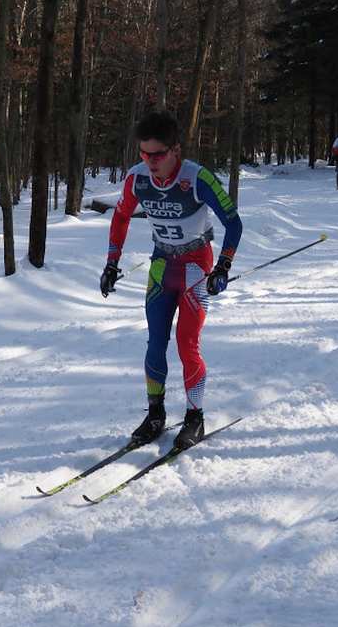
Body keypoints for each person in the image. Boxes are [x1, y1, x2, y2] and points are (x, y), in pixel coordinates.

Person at [100, 111, 243, 449]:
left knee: (187, 344)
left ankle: (195, 416)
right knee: (155, 342)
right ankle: (155, 414)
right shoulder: (137, 179)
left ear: (175, 150)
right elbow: (120, 217)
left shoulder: (197, 178)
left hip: (195, 265)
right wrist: (111, 264)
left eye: (158, 155)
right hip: (162, 265)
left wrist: (223, 267)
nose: (150, 161)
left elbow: (233, 223)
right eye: (144, 154)